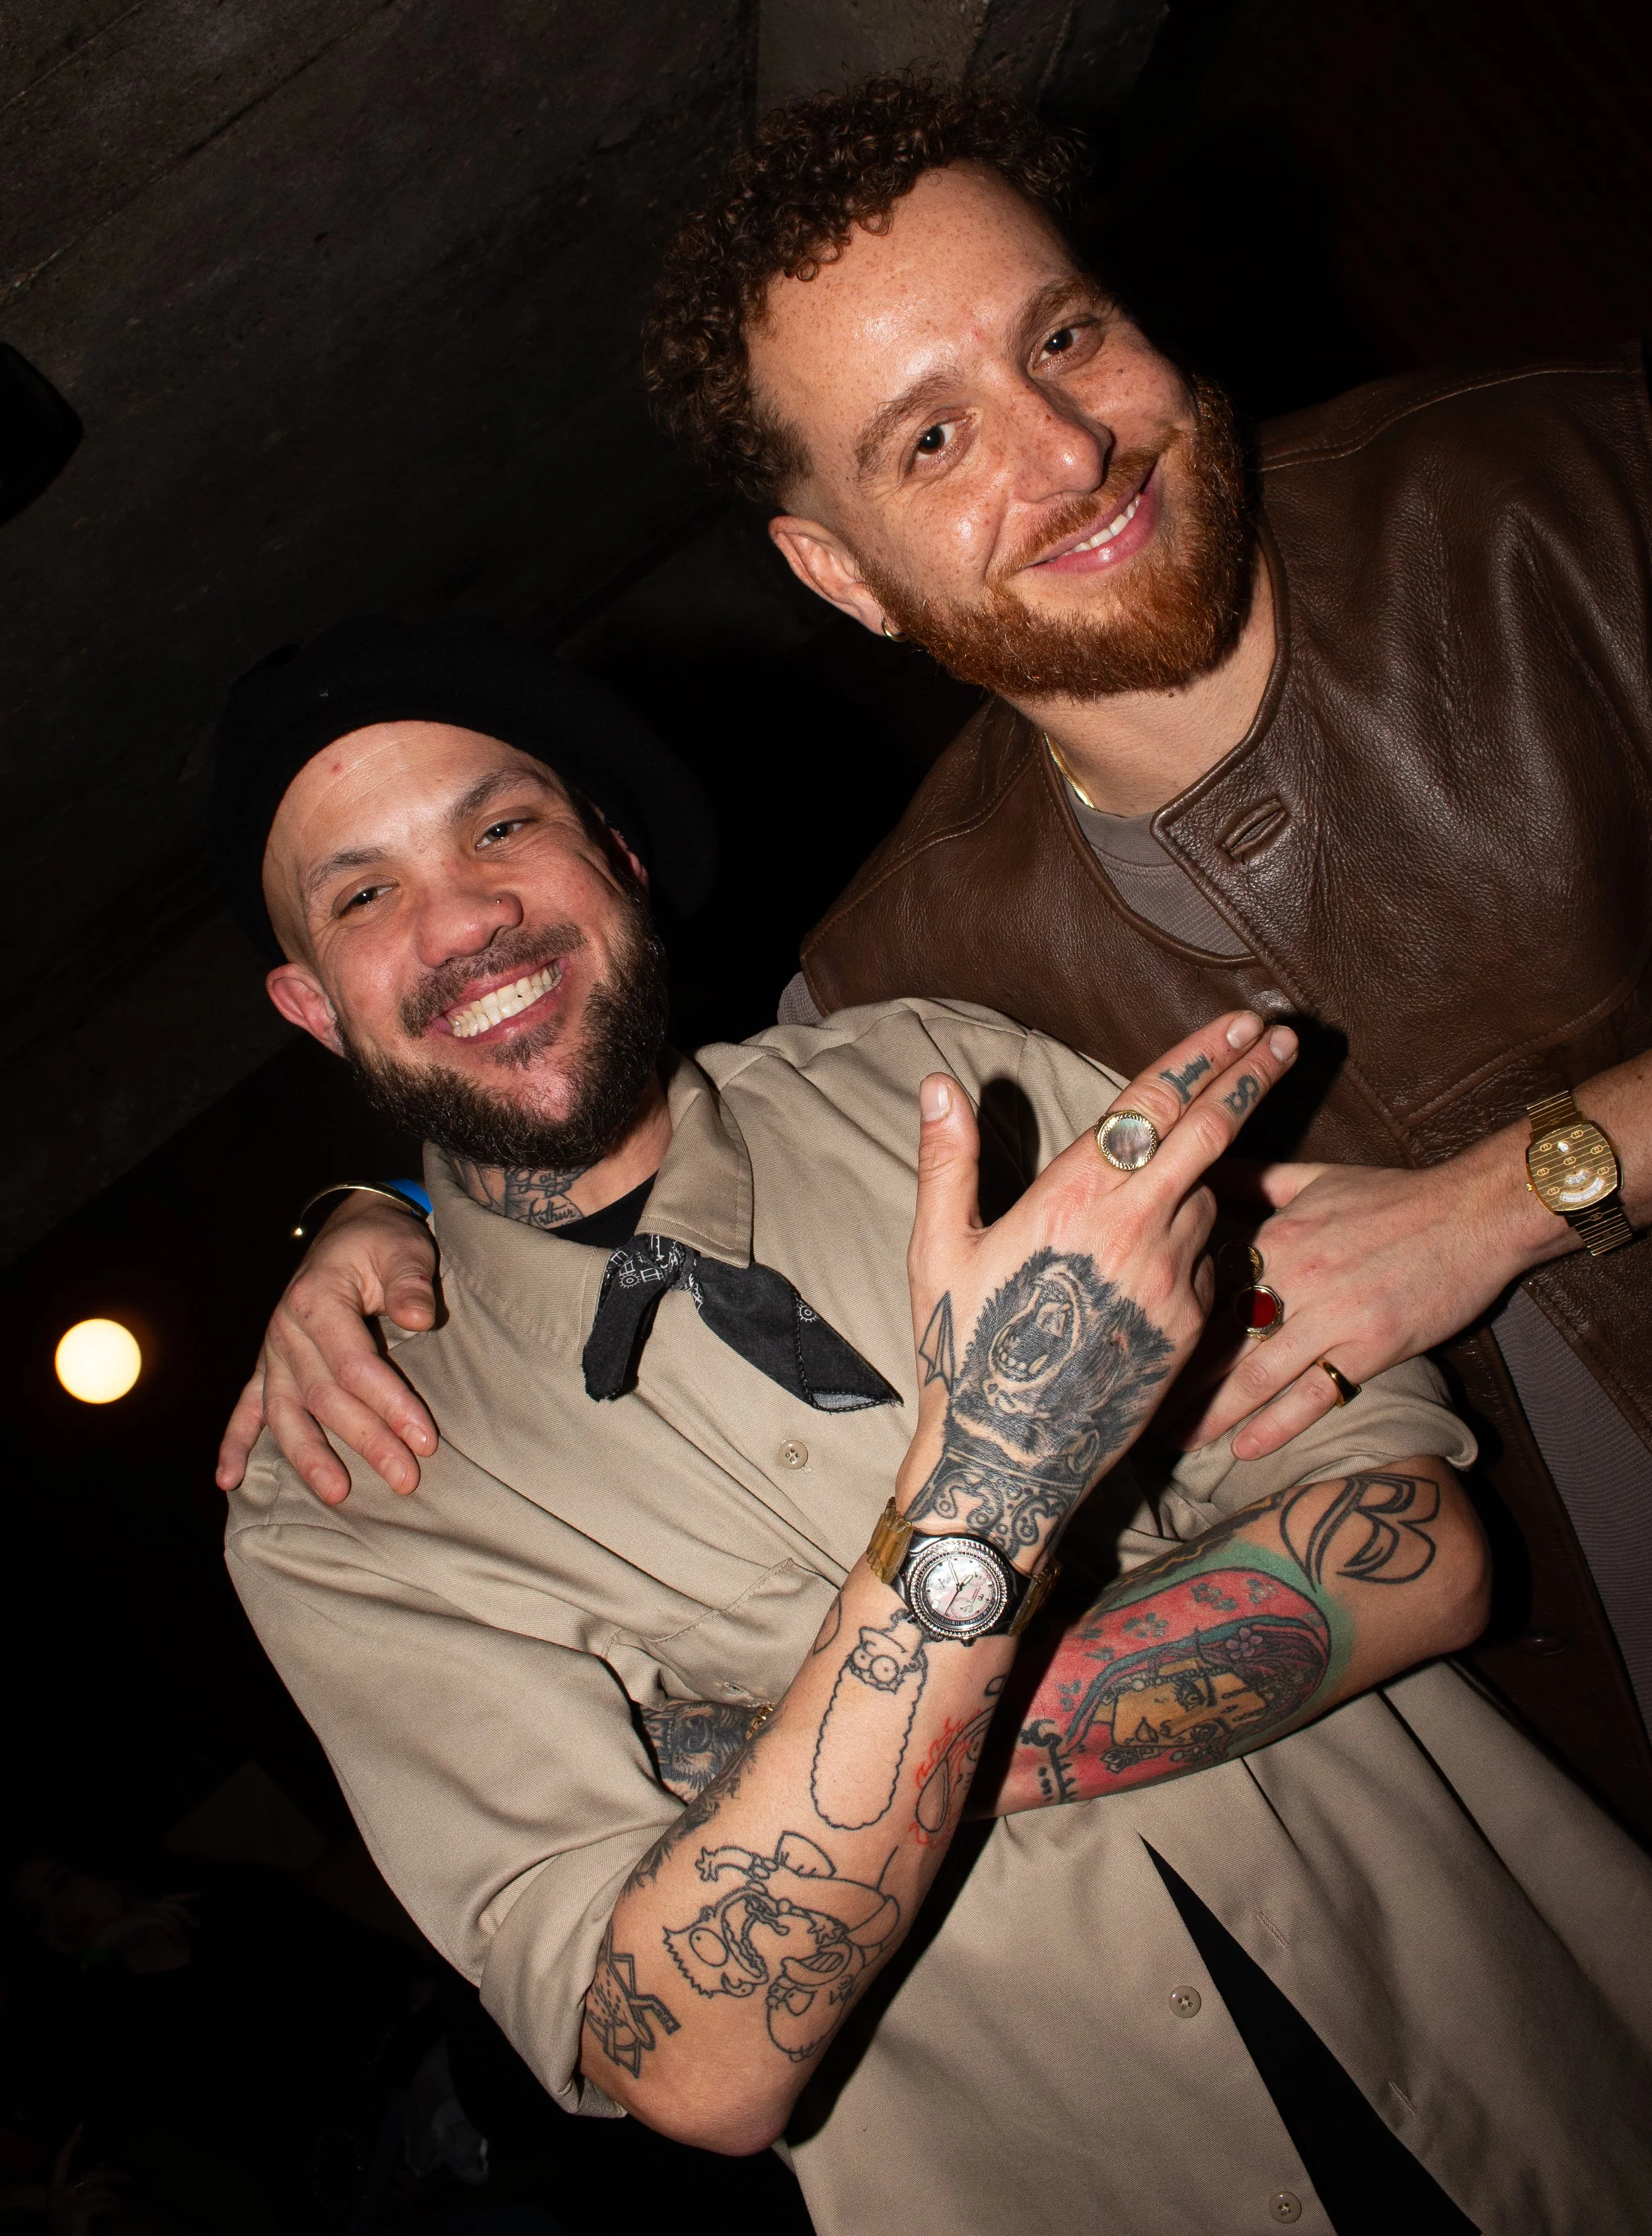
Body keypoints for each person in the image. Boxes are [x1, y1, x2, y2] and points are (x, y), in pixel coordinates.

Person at [237, 77, 1652, 1831]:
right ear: (839, 572)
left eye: (1063, 335)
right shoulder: (904, 987)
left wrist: (1515, 1191)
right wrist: (375, 1219)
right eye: (928, 440)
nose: (1059, 451)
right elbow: (627, 1130)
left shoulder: (1574, 487)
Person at [213, 616, 1652, 2235]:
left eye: (500, 824)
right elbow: (687, 2057)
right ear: (312, 1004)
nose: (464, 918)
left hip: (1550, 2078)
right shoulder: (338, 1496)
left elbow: (1416, 1550)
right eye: (363, 895)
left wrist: (767, 1784)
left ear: (611, 852)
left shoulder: (945, 1076)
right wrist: (1001, 1470)